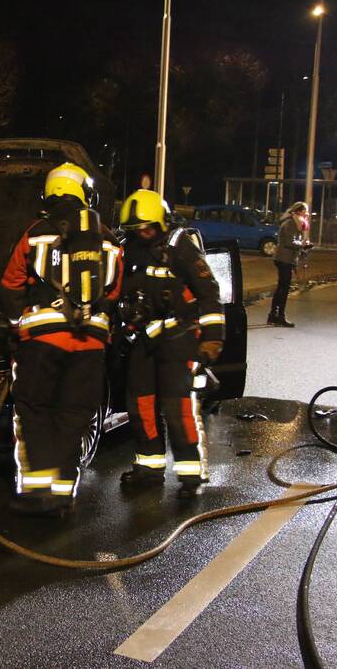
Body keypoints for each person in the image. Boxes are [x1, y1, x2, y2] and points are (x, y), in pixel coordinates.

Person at [0, 162, 124, 516]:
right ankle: (61, 498)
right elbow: (114, 292)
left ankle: (33, 493)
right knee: (73, 417)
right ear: (85, 195)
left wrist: (15, 326)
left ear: (49, 194)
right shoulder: (109, 239)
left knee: (34, 410)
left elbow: (10, 284)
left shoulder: (35, 233)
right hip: (89, 345)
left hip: (41, 341)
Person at [115, 189, 225, 491]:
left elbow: (209, 293)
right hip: (143, 338)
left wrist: (212, 338)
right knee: (140, 406)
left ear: (163, 222)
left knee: (177, 408)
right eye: (136, 229)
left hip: (179, 337)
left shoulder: (181, 246)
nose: (143, 233)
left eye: (148, 227)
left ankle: (191, 474)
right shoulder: (127, 249)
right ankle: (149, 469)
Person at [268, 202, 313, 328]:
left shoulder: (296, 224)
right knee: (283, 288)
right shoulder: (289, 224)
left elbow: (293, 241)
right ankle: (279, 316)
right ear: (298, 211)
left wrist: (302, 245)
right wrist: (302, 245)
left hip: (287, 259)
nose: (307, 214)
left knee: (282, 287)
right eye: (305, 211)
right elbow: (288, 242)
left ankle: (273, 315)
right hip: (284, 259)